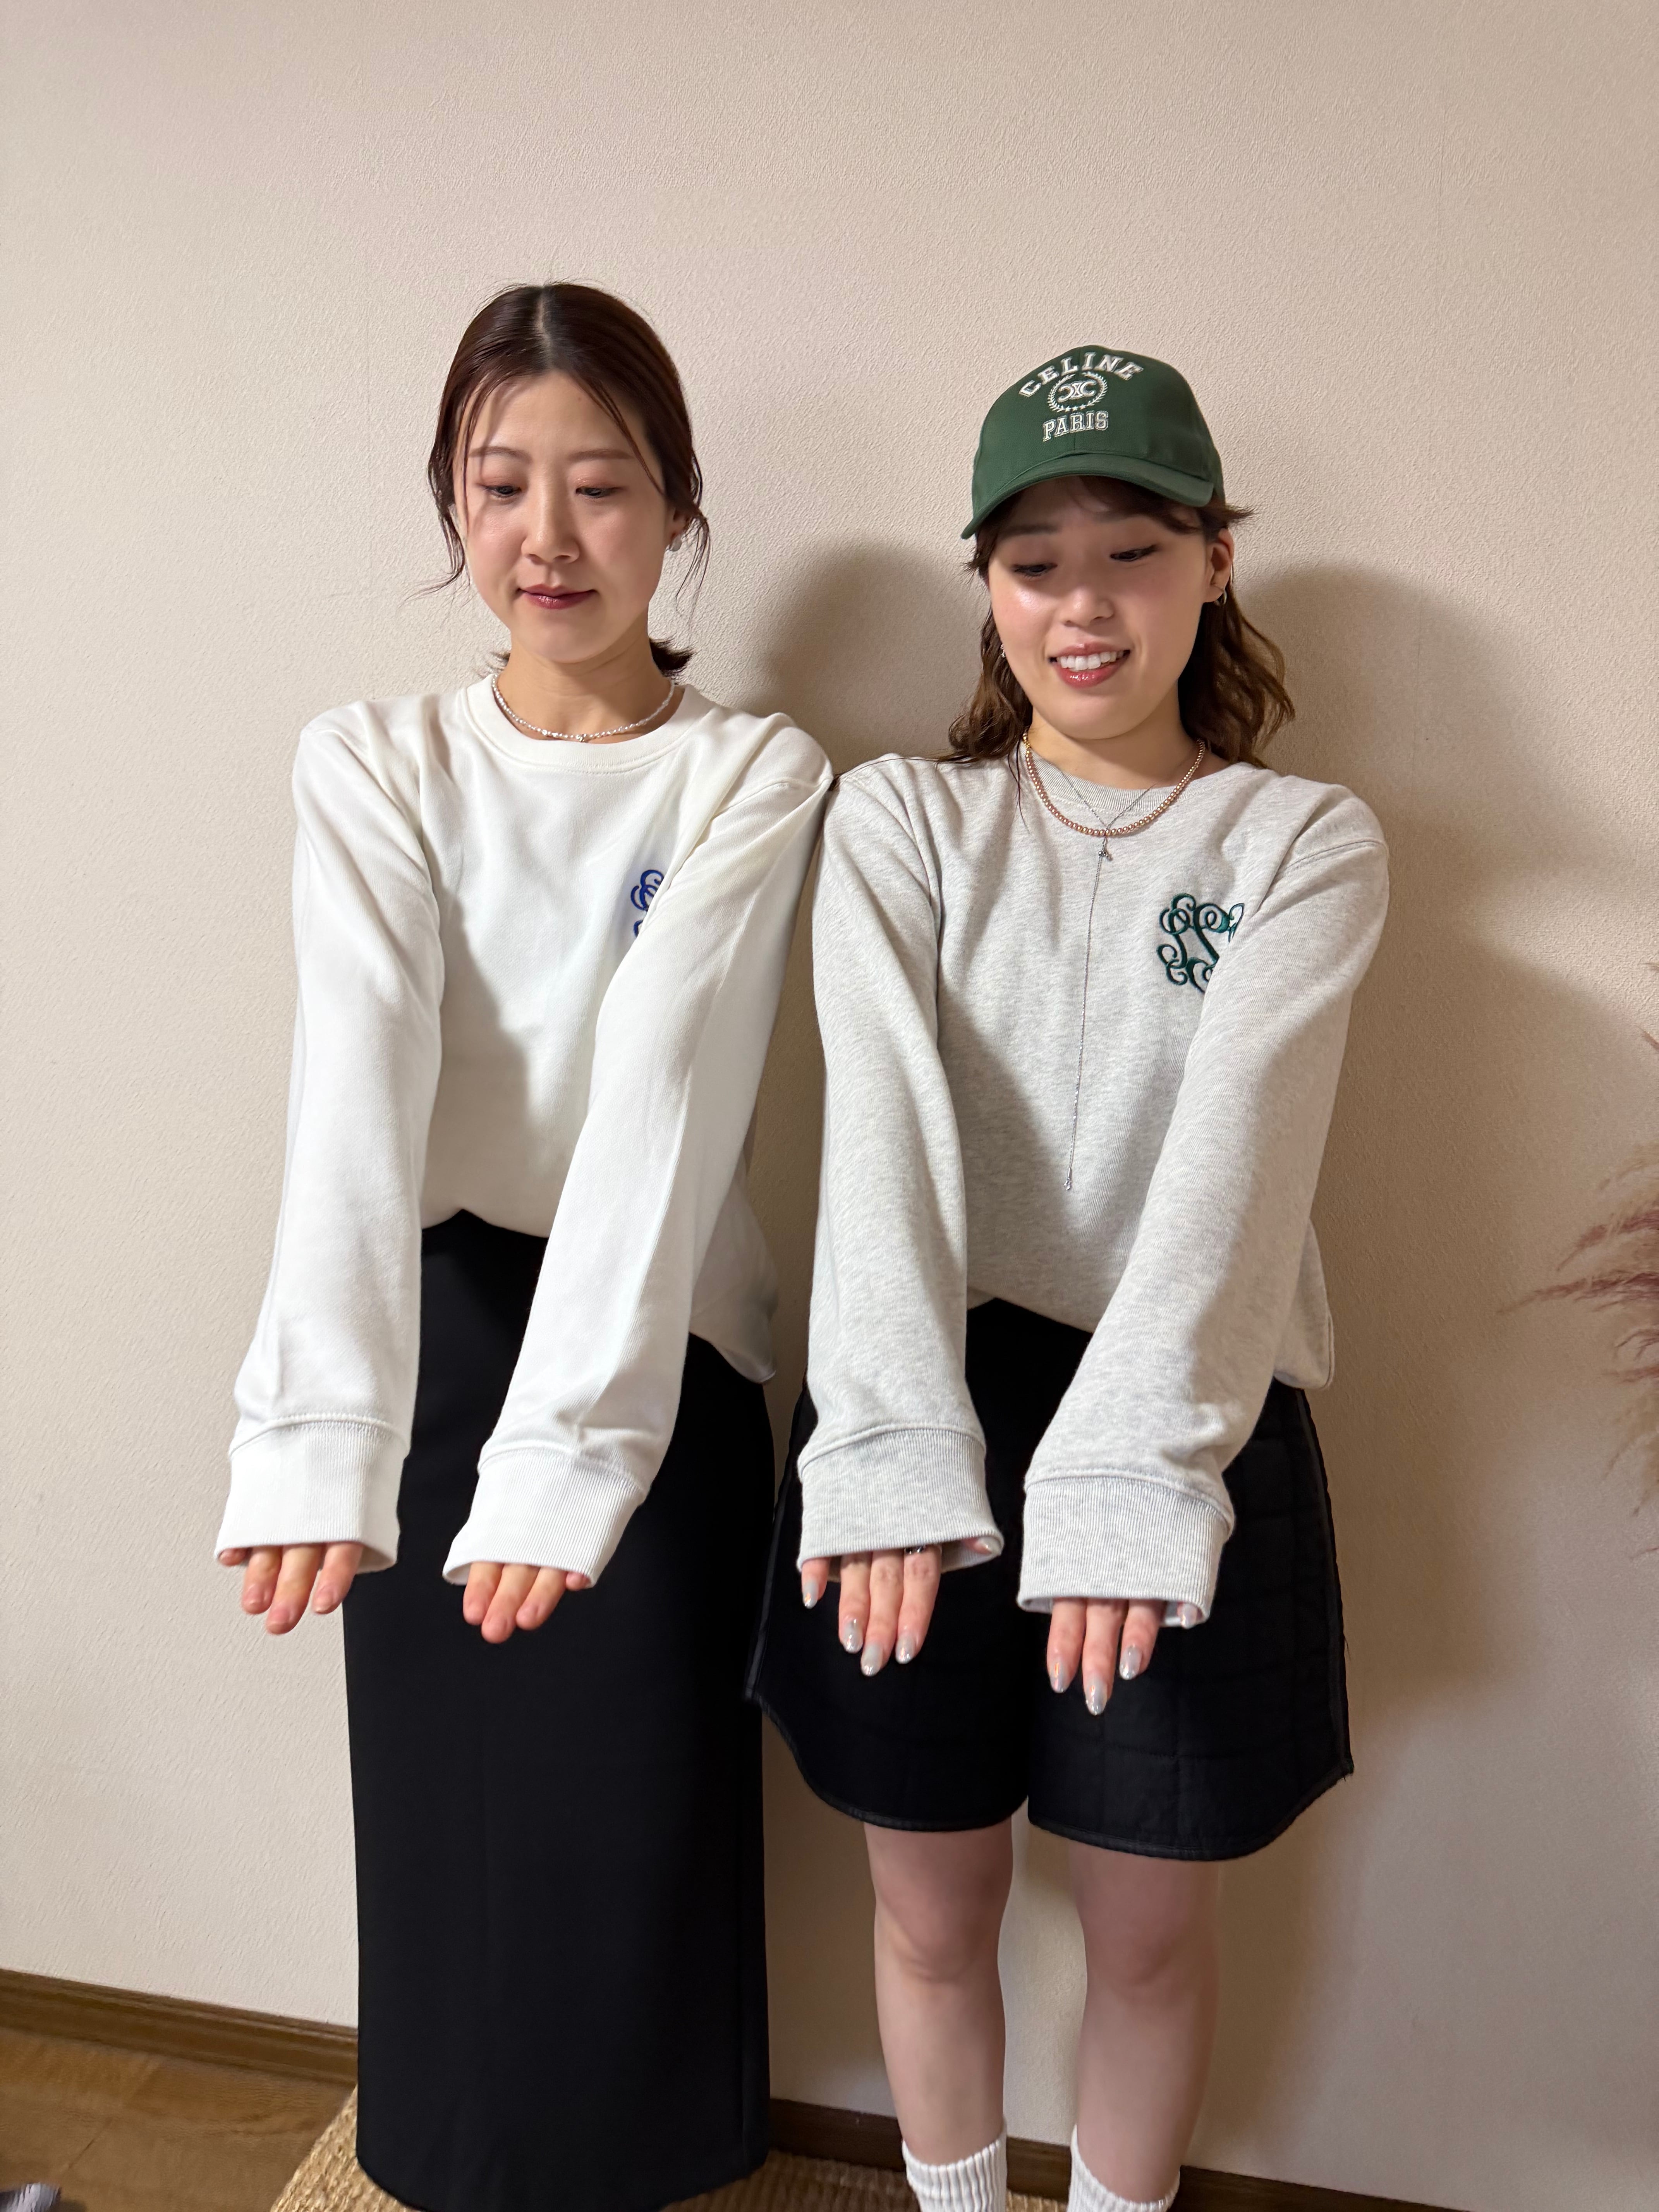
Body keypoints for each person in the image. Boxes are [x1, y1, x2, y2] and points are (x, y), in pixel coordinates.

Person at [748, 349, 1387, 2212]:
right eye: (1035, 563)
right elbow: (879, 1141)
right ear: (988, 585)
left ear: (1216, 563)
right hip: (924, 1383)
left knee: (1147, 1938)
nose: (1082, 606)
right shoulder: (903, 820)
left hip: (1187, 1408)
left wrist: (1127, 1469)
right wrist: (884, 1439)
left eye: (1132, 552)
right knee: (930, 1914)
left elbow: (1236, 1175)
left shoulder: (1304, 842)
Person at [218, 282, 830, 2212]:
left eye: (601, 485)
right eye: (500, 487)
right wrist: (320, 1431)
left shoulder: (752, 774)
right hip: (437, 1331)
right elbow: (358, 1072)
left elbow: (665, 1096)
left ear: (677, 510)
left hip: (661, 1346)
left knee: (629, 1821)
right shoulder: (372, 758)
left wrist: (574, 1451)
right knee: (448, 1830)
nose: (547, 537)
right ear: (452, 506)